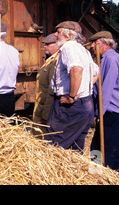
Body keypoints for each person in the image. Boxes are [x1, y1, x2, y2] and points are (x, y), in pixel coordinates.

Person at [46, 21, 99, 153]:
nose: (55, 34)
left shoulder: (69, 47)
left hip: (70, 107)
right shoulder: (83, 51)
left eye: (58, 32)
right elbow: (96, 72)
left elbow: (77, 69)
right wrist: (83, 89)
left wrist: (72, 96)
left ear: (69, 36)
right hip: (85, 104)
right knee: (75, 149)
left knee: (53, 146)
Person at [88, 31, 119, 172]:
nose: (91, 47)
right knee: (113, 146)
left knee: (106, 149)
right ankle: (118, 175)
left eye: (94, 43)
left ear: (105, 43)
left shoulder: (111, 59)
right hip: (115, 111)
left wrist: (98, 112)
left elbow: (105, 89)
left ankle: (105, 175)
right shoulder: (108, 58)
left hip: (114, 111)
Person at [32, 33, 61, 137]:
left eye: (48, 44)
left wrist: (45, 115)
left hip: (46, 109)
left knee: (43, 137)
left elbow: (51, 91)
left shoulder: (55, 62)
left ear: (57, 45)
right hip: (41, 105)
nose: (44, 47)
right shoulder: (50, 60)